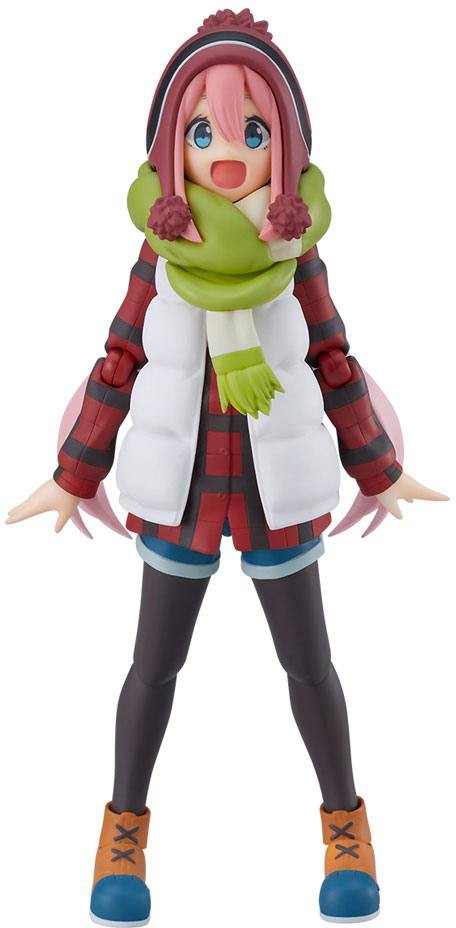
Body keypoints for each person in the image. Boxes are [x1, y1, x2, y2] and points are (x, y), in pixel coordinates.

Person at [7, 9, 448, 925]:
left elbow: (332, 359)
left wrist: (378, 466)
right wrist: (74, 473)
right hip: (182, 496)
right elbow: (121, 359)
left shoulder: (297, 253)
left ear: (287, 144)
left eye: (253, 131)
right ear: (172, 148)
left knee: (310, 667)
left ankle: (346, 829)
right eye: (203, 133)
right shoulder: (159, 255)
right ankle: (122, 836)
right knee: (152, 668)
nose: (231, 154)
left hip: (277, 494)